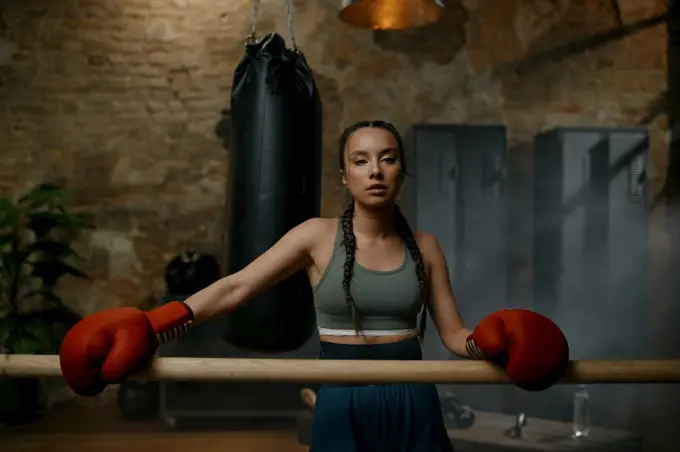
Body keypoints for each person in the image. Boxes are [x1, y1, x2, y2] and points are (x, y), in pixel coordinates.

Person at [59, 120, 569, 452]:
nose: (375, 170)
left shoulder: (426, 247)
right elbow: (236, 287)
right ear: (345, 175)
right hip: (341, 396)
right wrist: (157, 323)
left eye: (387, 158)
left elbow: (455, 336)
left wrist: (491, 343)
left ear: (402, 171)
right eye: (361, 159)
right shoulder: (316, 237)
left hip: (413, 396)